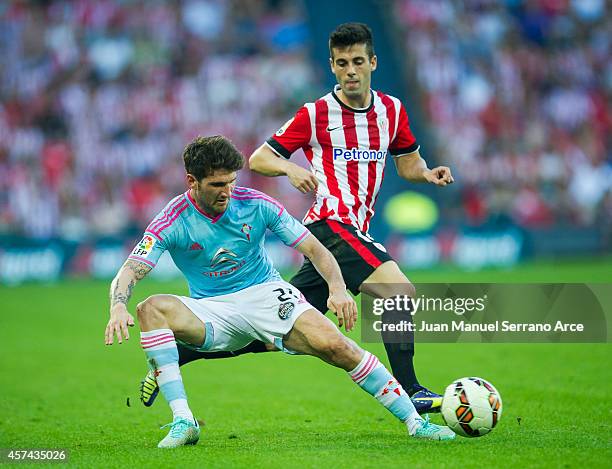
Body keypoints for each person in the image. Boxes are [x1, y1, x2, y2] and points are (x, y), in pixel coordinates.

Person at [141, 23, 455, 414]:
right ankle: (411, 389)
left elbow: (408, 164)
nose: (351, 71)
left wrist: (426, 173)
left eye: (358, 61)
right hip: (331, 224)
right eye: (342, 64)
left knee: (276, 329)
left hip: (354, 229)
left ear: (373, 62)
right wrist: (290, 170)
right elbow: (259, 158)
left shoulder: (392, 111)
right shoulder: (316, 113)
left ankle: (181, 353)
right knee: (398, 292)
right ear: (333, 66)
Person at [105, 136, 455, 448]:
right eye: (216, 184)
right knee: (150, 308)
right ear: (192, 181)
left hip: (266, 294)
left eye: (230, 181)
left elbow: (317, 249)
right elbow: (130, 270)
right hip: (211, 309)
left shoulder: (256, 204)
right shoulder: (172, 219)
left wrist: (337, 289)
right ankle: (184, 421)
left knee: (336, 346)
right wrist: (118, 306)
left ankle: (415, 422)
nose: (226, 191)